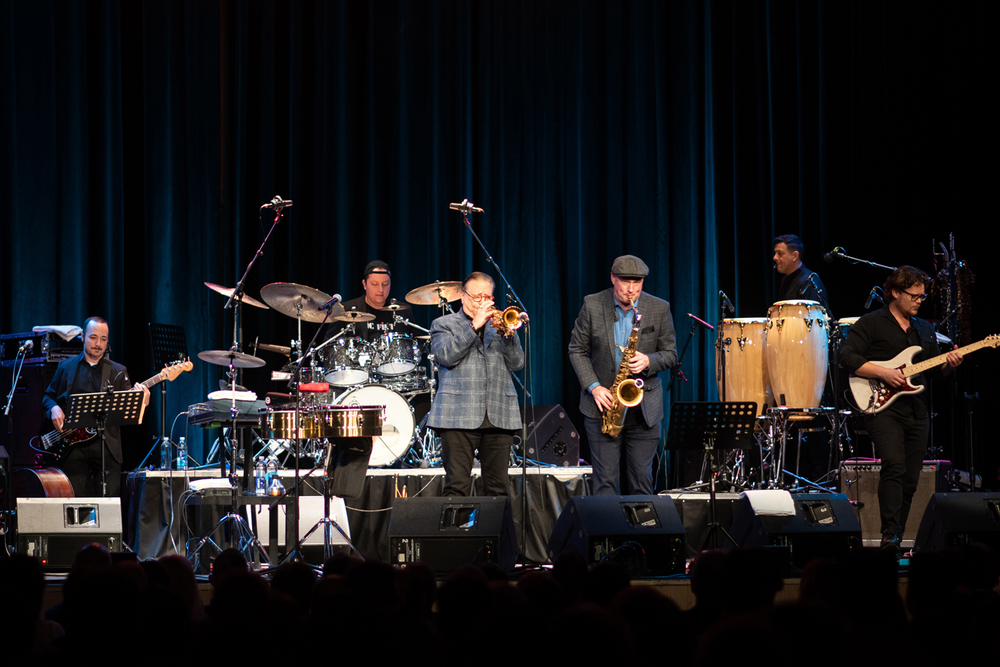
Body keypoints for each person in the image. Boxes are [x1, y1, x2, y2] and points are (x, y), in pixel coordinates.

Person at [840, 266, 962, 551]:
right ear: (895, 293)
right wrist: (883, 373)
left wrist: (948, 364)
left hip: (916, 409)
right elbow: (847, 356)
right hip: (882, 407)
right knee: (893, 465)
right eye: (914, 295)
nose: (920, 300)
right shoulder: (871, 323)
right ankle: (888, 536)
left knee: (911, 476)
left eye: (922, 296)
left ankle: (896, 536)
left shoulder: (924, 329)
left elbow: (932, 370)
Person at [568, 255, 677, 496]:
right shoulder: (593, 304)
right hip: (603, 406)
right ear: (613, 278)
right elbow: (576, 350)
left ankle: (644, 534)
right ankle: (607, 534)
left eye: (637, 282)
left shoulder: (659, 307)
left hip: (644, 408)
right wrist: (594, 387)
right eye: (625, 282)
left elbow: (670, 354)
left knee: (642, 481)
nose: (631, 289)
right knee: (605, 483)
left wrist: (649, 360)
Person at [425, 272, 524, 496]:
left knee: (498, 489)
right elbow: (446, 356)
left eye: (487, 297)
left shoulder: (500, 325)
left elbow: (518, 363)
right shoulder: (443, 324)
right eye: (477, 296)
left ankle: (496, 533)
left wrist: (509, 336)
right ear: (463, 296)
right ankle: (454, 532)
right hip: (457, 416)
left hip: (499, 414)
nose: (482, 302)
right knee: (457, 488)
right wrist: (474, 326)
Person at [42, 316, 150, 497]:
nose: (98, 344)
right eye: (93, 337)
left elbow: (127, 413)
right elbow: (48, 396)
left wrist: (142, 403)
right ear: (83, 337)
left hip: (107, 448)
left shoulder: (118, 371)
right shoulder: (65, 367)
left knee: (109, 508)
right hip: (72, 448)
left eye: (103, 339)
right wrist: (53, 408)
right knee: (74, 506)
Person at [332, 260, 416, 343]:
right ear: (364, 284)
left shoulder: (403, 311)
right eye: (375, 284)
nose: (381, 289)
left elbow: (417, 342)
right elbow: (329, 346)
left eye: (385, 284)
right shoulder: (344, 310)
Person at [773, 234, 829, 311]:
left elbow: (812, 319)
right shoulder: (784, 279)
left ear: (794, 256)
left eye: (780, 253)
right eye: (775, 253)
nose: (775, 257)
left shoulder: (809, 282)